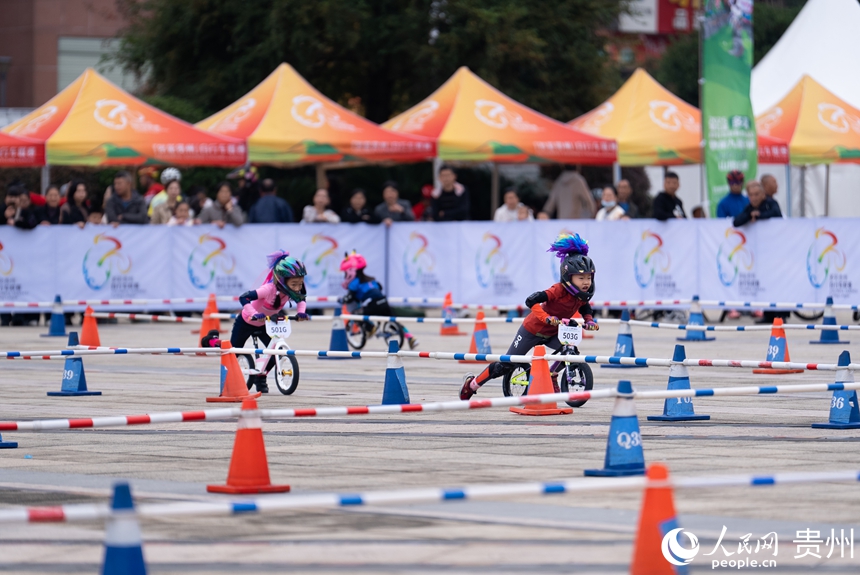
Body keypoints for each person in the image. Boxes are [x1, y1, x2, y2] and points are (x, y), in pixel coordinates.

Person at [459, 233, 599, 399]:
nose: (586, 282)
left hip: (554, 332)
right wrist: (546, 317)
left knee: (570, 352)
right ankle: (473, 383)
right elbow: (531, 301)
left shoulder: (581, 295)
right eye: (581, 278)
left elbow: (585, 308)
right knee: (505, 364)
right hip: (532, 330)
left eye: (589, 277)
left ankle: (552, 374)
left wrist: (589, 320)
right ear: (568, 278)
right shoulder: (557, 290)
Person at [216, 252, 310, 393]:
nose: (297, 288)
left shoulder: (293, 290)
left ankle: (261, 376)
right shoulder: (269, 289)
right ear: (282, 281)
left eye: (300, 283)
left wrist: (301, 312)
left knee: (274, 353)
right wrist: (254, 314)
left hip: (265, 323)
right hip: (246, 322)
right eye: (294, 284)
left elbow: (301, 299)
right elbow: (244, 298)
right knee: (233, 352)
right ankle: (217, 349)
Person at [340, 251, 419, 349]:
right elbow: (379, 288)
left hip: (372, 304)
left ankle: (371, 327)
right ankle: (410, 337)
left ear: (350, 271)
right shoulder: (372, 280)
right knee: (393, 319)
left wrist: (343, 300)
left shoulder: (354, 283)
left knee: (357, 315)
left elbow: (350, 297)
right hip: (383, 301)